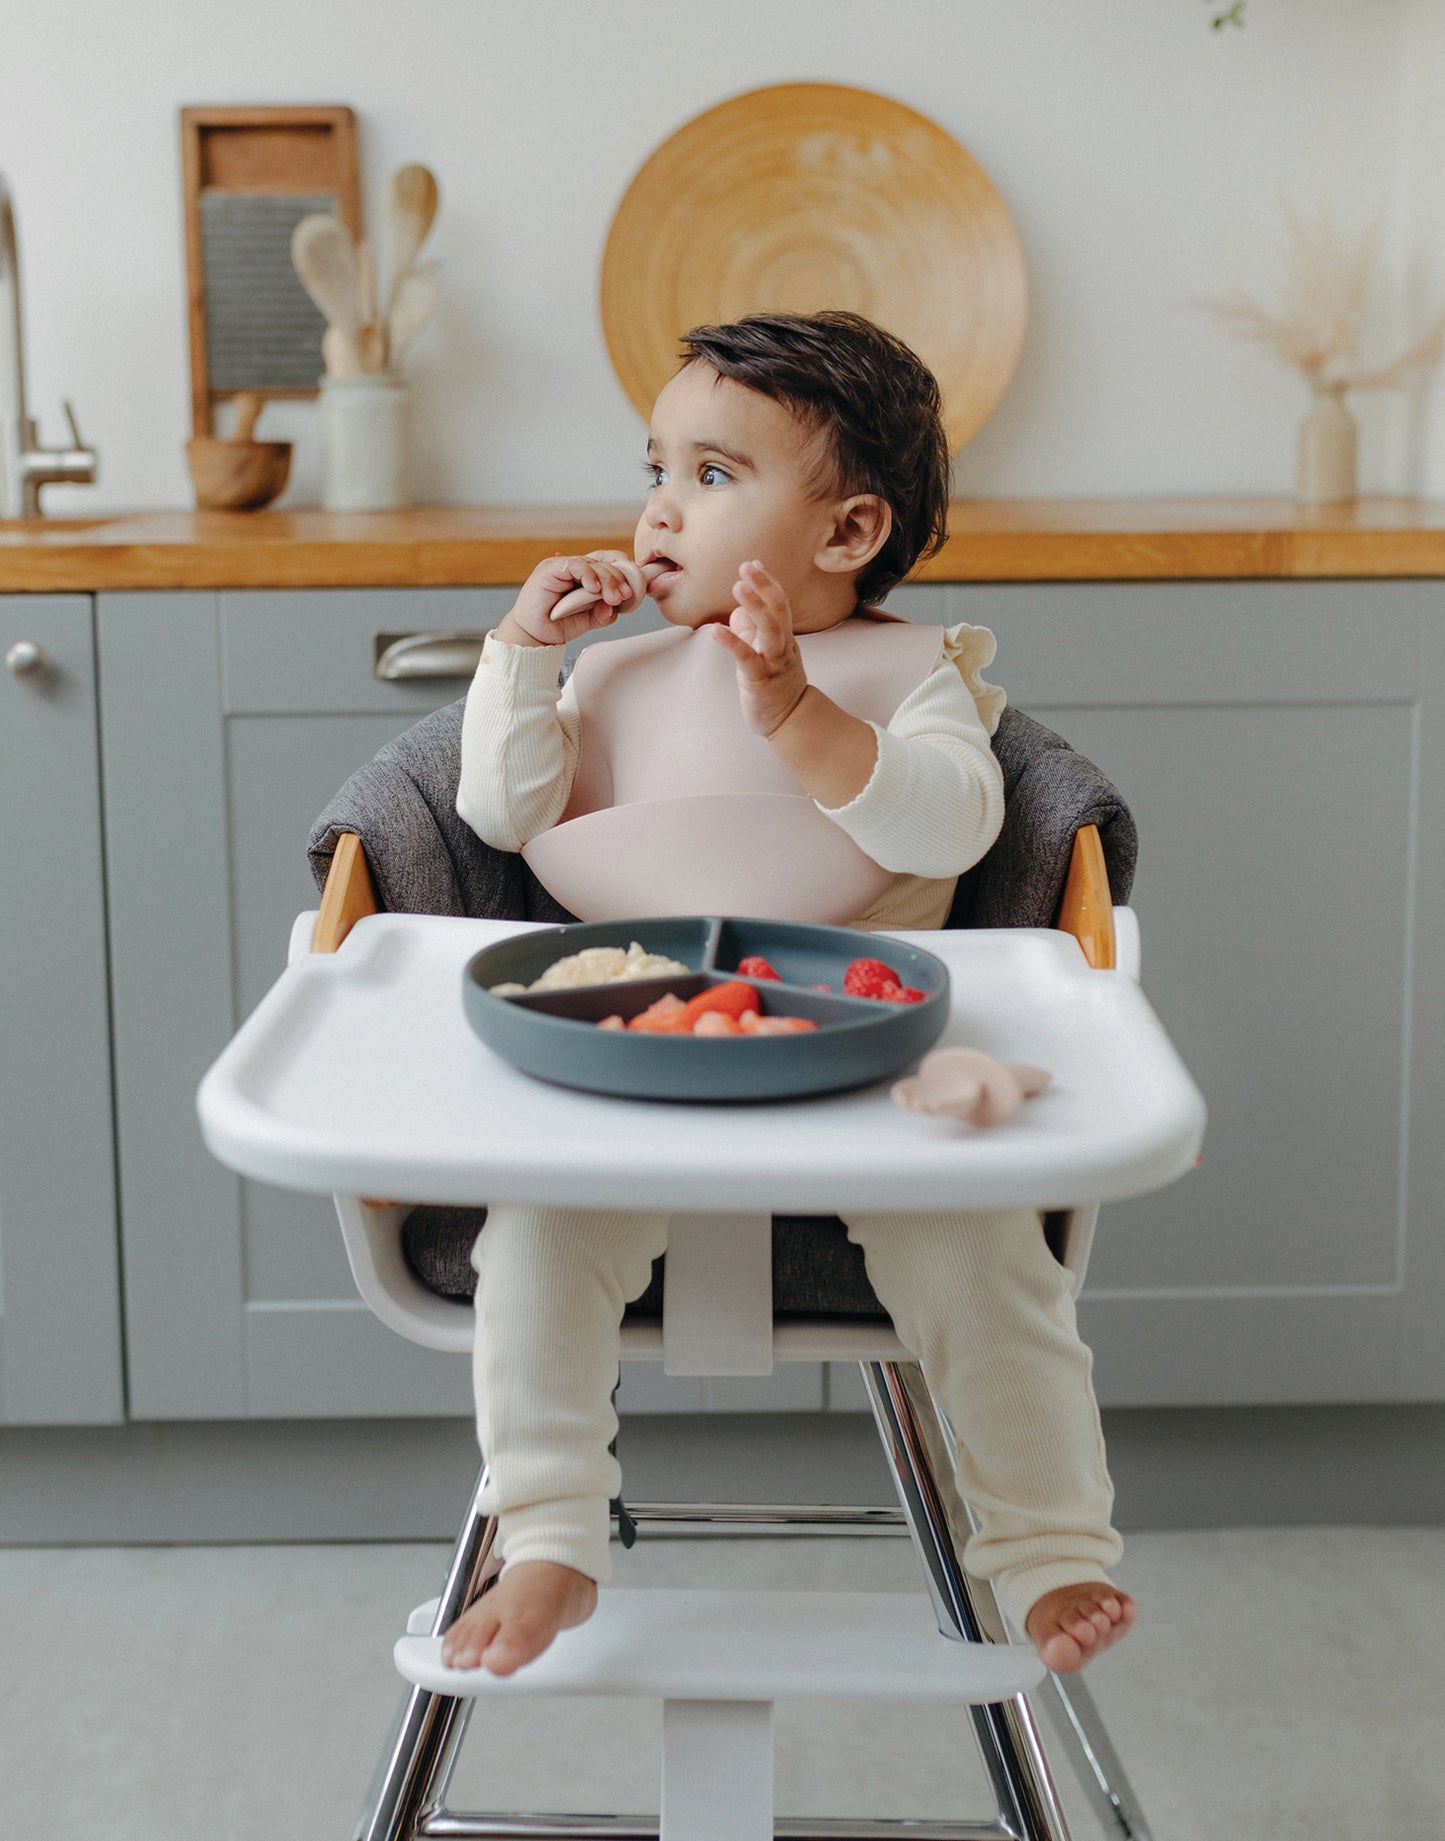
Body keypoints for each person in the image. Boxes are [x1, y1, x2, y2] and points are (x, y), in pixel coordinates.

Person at [447, 310, 1134, 1679]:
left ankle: (1050, 1550)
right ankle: (549, 1538)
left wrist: (793, 708)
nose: (658, 508)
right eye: (654, 469)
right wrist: (522, 653)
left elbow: (945, 825)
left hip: (864, 1054)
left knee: (987, 1257)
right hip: (634, 1036)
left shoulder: (911, 674)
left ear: (845, 532)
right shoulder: (617, 668)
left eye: (710, 476)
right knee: (532, 1236)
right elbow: (497, 806)